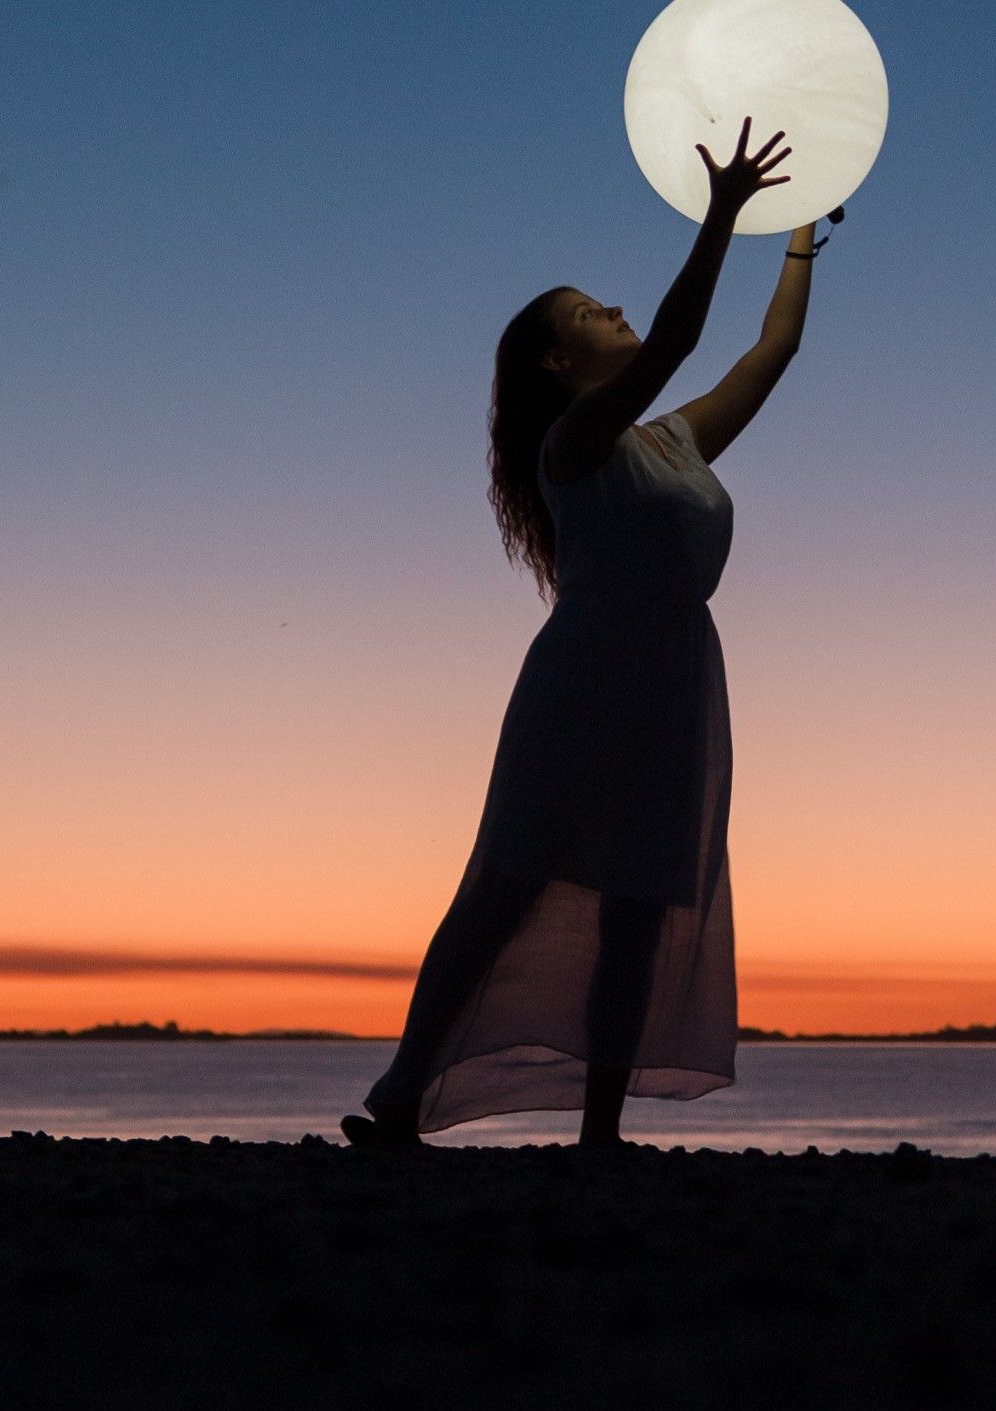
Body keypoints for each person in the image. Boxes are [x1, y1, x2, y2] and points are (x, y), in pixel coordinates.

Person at [343, 118, 823, 1149]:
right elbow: (678, 339)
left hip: (677, 678)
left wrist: (795, 239)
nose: (612, 309)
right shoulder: (575, 440)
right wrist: (721, 214)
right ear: (563, 361)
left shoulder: (674, 440)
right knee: (509, 888)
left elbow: (771, 350)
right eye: (589, 312)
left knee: (639, 908)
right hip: (586, 677)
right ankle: (401, 1099)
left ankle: (600, 1135)